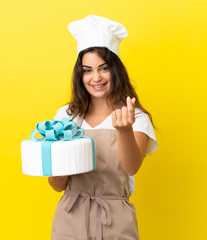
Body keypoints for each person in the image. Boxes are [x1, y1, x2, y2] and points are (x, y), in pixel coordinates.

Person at [48, 15, 158, 240]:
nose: (95, 77)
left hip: (114, 222)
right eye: (87, 70)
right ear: (80, 75)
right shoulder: (66, 116)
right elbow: (56, 185)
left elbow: (131, 167)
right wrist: (62, 151)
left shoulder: (136, 117)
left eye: (103, 68)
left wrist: (124, 130)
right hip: (70, 219)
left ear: (115, 70)